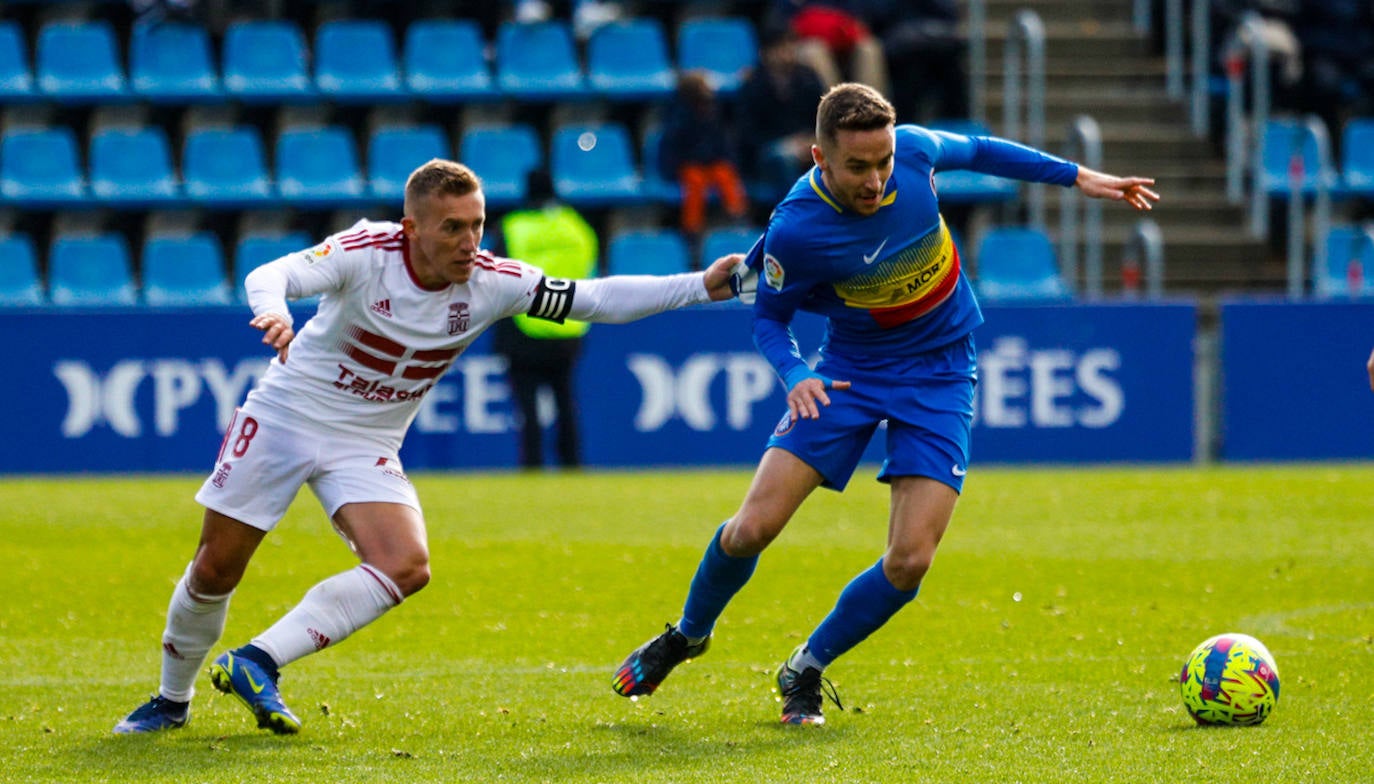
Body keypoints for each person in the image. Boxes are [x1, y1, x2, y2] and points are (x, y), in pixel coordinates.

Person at [114, 158, 738, 735]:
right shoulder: (367, 251)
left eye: (477, 226)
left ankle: (258, 660)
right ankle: (172, 700)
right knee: (216, 568)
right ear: (411, 227)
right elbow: (271, 272)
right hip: (287, 417)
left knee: (406, 566)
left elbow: (595, 299)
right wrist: (274, 310)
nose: (469, 243)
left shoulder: (495, 282)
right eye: (452, 229)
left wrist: (700, 286)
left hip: (367, 440)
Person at [612, 83, 1159, 725]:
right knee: (752, 527)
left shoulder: (918, 154)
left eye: (884, 162)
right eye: (857, 167)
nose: (875, 181)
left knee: (910, 562)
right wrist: (793, 373)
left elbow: (982, 151)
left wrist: (1077, 177)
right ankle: (687, 634)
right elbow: (769, 320)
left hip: (942, 373)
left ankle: (805, 669)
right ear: (820, 158)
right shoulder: (796, 228)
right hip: (849, 372)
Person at [492, 171, 598, 468]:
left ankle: (533, 464)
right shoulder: (576, 226)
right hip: (568, 327)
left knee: (528, 407)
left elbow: (497, 277)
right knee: (566, 400)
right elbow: (589, 267)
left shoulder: (513, 227)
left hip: (525, 328)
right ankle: (572, 462)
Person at [659, 70, 751, 243]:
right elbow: (673, 149)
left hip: (713, 163)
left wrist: (725, 159)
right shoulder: (679, 119)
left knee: (726, 174)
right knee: (694, 181)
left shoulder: (715, 116)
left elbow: (723, 145)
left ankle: (737, 214)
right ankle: (692, 228)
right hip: (690, 165)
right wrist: (674, 169)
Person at [736, 29, 828, 201]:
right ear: (766, 53)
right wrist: (787, 143)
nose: (786, 53)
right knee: (783, 158)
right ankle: (794, 216)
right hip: (765, 151)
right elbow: (748, 134)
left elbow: (822, 117)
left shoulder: (808, 78)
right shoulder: (753, 83)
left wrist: (809, 140)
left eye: (790, 46)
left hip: (805, 143)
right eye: (780, 48)